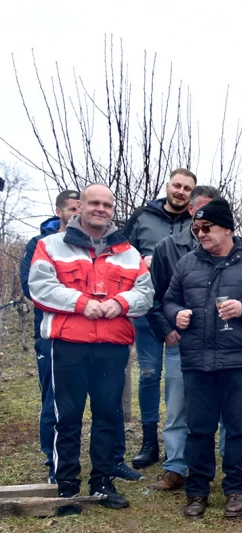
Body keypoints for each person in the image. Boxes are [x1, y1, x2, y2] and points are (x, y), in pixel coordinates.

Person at [28, 184, 153, 514]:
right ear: (78, 207)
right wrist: (81, 303)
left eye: (107, 205)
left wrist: (121, 302)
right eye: (94, 203)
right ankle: (67, 486)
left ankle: (102, 482)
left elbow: (145, 294)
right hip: (67, 344)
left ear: (113, 210)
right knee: (66, 416)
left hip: (112, 347)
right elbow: (40, 288)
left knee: (107, 416)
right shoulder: (51, 245)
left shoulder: (128, 252)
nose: (101, 208)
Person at [162, 198, 242, 518]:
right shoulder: (188, 263)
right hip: (197, 360)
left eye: (207, 228)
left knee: (238, 428)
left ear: (227, 228)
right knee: (199, 428)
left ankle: (235, 487)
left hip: (241, 359)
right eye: (197, 228)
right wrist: (177, 314)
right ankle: (197, 491)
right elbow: (169, 300)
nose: (201, 234)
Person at [144, 186, 222, 491]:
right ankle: (175, 466)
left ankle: (230, 467)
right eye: (203, 211)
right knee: (177, 407)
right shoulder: (168, 248)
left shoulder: (235, 250)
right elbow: (154, 297)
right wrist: (167, 330)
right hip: (183, 343)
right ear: (191, 210)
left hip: (225, 344)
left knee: (229, 412)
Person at [123, 168, 198, 475]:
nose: (180, 191)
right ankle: (149, 441)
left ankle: (177, 447)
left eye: (186, 188)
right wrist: (141, 264)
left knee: (178, 381)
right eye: (177, 185)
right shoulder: (141, 217)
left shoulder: (196, 223)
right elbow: (120, 256)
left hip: (181, 314)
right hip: (147, 308)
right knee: (150, 375)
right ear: (168, 186)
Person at [20, 189, 81, 481]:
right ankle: (53, 462)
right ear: (59, 211)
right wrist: (81, 302)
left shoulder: (93, 247)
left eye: (81, 208)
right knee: (55, 401)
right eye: (72, 209)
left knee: (100, 403)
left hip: (89, 338)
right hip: (51, 335)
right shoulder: (39, 245)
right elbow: (33, 288)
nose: (77, 214)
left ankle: (107, 463)